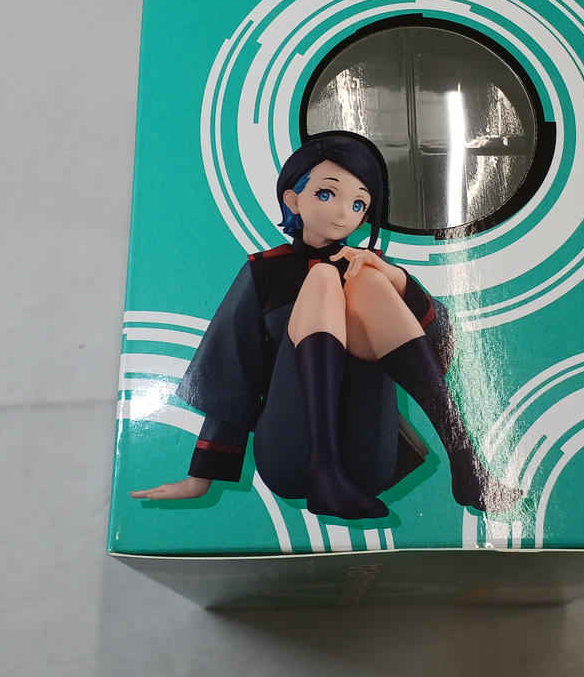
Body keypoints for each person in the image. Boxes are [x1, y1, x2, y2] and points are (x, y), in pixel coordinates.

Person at [130, 131, 521, 520]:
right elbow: (233, 374)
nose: (342, 212)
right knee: (323, 277)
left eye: (358, 203)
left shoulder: (369, 267)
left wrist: (393, 276)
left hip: (369, 456)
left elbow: (439, 344)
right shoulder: (264, 273)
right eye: (325, 194)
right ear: (293, 199)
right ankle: (326, 472)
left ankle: (466, 464)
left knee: (366, 279)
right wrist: (201, 477)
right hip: (292, 453)